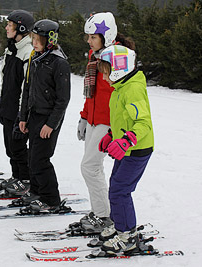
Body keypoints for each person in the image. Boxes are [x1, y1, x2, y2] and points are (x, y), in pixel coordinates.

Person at [76, 12, 135, 234]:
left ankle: (104, 216)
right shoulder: (95, 55)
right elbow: (92, 94)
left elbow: (120, 94)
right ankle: (100, 212)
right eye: (88, 37)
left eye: (93, 37)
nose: (89, 41)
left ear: (106, 35)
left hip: (108, 122)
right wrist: (84, 116)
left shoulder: (117, 57)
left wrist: (115, 127)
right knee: (93, 167)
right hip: (93, 119)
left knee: (89, 167)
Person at [96, 45, 154, 254]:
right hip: (127, 148)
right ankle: (121, 226)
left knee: (120, 191)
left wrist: (126, 140)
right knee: (116, 188)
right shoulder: (120, 89)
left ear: (119, 69)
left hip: (137, 150)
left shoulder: (132, 89)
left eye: (105, 73)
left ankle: (127, 235)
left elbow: (143, 123)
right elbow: (124, 120)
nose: (103, 79)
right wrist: (112, 135)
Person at [17, 19, 71, 213]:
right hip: (34, 115)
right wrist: (23, 117)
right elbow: (28, 88)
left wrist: (51, 124)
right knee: (33, 157)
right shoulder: (35, 58)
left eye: (39, 39)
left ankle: (51, 199)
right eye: (33, 38)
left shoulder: (59, 63)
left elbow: (63, 100)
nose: (35, 42)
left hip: (49, 118)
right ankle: (37, 191)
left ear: (50, 39)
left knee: (41, 159)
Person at [0, 10, 34, 196]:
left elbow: (27, 86)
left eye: (9, 25)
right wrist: (2, 102)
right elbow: (5, 79)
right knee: (10, 146)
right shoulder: (12, 49)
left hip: (19, 110)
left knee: (18, 147)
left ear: (20, 27)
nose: (6, 28)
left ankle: (26, 180)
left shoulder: (28, 52)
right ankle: (17, 176)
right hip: (8, 107)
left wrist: (22, 112)